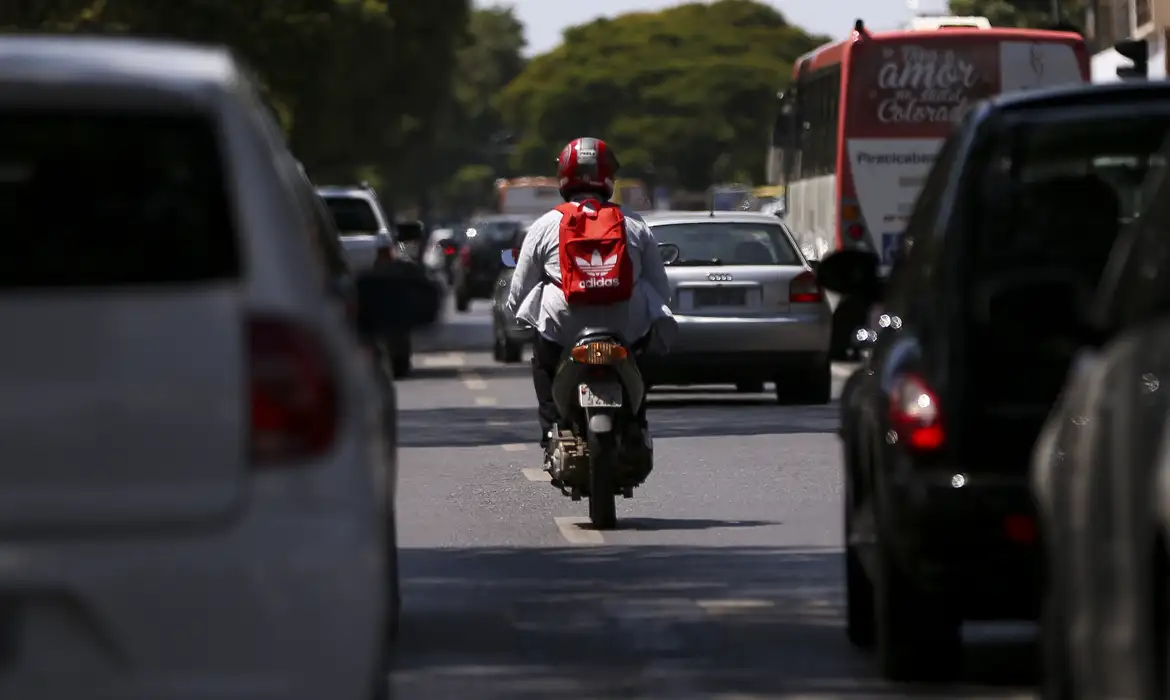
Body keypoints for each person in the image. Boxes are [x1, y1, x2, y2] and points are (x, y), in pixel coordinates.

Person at [505, 137, 676, 461]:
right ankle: (637, 423)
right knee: (647, 348)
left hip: (564, 329)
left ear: (565, 176)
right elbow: (660, 288)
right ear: (608, 177)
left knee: (542, 360)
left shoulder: (545, 225)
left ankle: (551, 430)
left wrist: (519, 317)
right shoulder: (635, 223)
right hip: (625, 329)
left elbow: (519, 291)